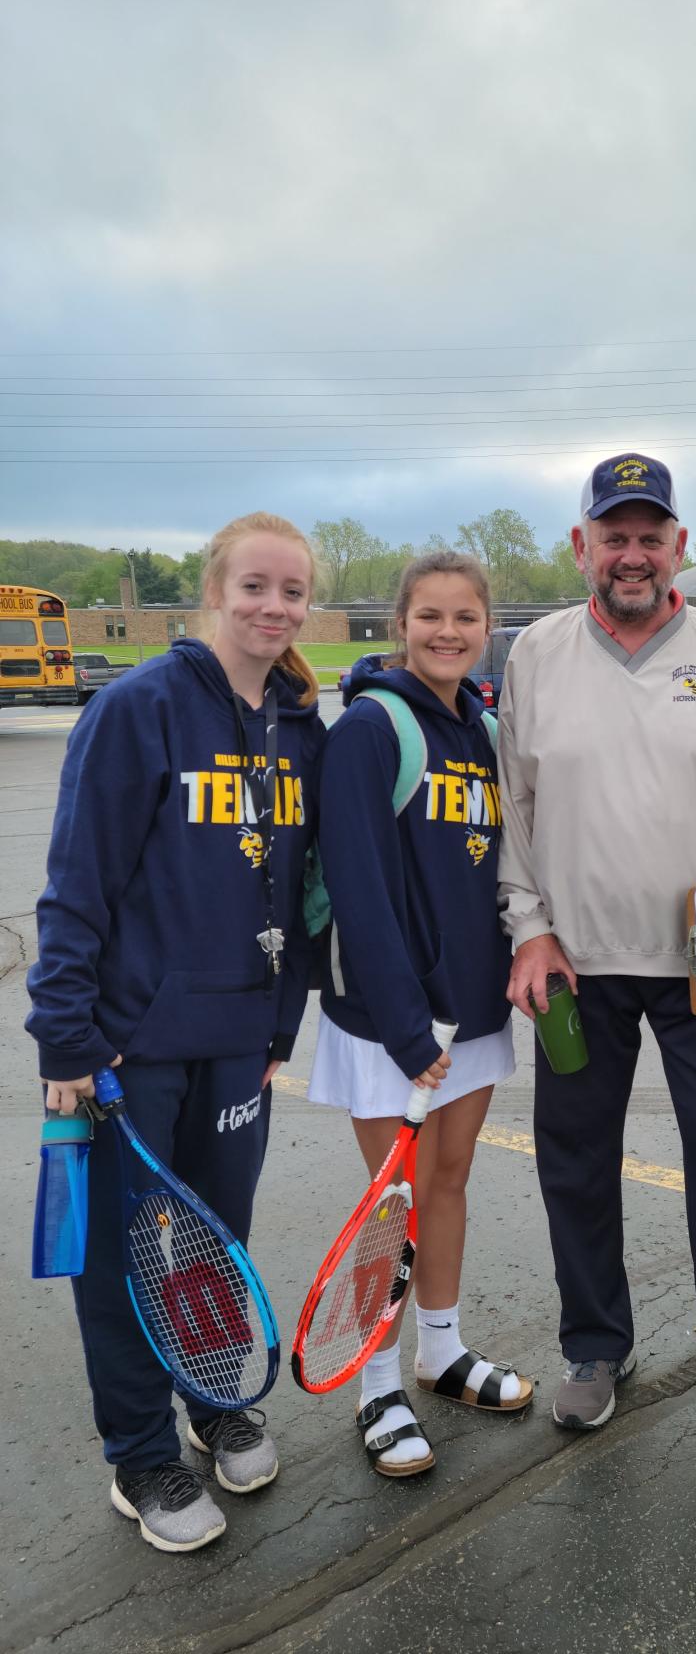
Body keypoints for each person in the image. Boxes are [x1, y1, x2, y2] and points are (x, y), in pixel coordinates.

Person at [498, 452, 696, 1465]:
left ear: (679, 544)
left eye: (650, 534)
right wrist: (529, 925)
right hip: (576, 970)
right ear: (582, 545)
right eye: (613, 534)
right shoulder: (536, 657)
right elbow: (515, 813)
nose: (631, 554)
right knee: (575, 1160)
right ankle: (595, 1347)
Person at [27, 511, 325, 1552]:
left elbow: (298, 889)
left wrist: (280, 1024)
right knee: (121, 1259)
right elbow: (76, 885)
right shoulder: (138, 709)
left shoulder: (299, 726)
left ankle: (212, 1399)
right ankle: (141, 1454)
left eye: (292, 592)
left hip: (239, 1039)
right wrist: (65, 1037)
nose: (273, 608)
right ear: (214, 590)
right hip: (129, 1045)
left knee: (208, 1240)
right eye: (255, 586)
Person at [307, 550, 530, 1479]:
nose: (447, 632)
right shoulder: (370, 727)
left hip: (468, 1017)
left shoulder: (478, 728)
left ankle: (439, 1350)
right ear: (401, 624)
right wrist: (403, 1025)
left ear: (486, 628)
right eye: (430, 616)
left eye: (465, 618)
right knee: (387, 1205)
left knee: (447, 1184)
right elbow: (358, 888)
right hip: (391, 1024)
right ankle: (376, 1386)